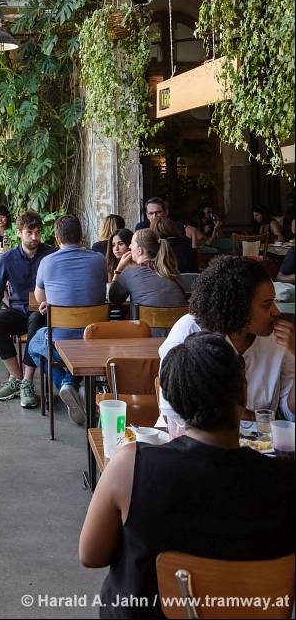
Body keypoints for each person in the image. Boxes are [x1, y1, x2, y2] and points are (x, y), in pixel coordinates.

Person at [79, 332, 295, 620]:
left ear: (173, 400)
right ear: (243, 394)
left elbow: (91, 555)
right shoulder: (286, 480)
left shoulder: (130, 466)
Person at [159, 255, 295, 420]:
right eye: (266, 305)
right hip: (192, 435)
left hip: (262, 436)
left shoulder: (280, 339)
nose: (276, 312)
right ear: (238, 308)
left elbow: (289, 412)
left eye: (274, 302)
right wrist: (247, 417)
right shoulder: (190, 333)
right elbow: (172, 414)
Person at [27, 215, 108, 424]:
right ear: (82, 236)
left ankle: (64, 383)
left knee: (34, 345)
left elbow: (40, 298)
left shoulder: (47, 262)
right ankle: (73, 384)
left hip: (60, 343)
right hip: (95, 342)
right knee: (80, 347)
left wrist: (53, 301)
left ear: (57, 237)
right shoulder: (99, 259)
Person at [0, 211, 55, 406]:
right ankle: (17, 378)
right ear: (19, 232)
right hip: (19, 311)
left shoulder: (51, 255)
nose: (35, 237)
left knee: (36, 319)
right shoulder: (9, 258)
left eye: (38, 232)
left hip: (43, 312)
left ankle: (27, 382)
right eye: (30, 232)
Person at [109, 229, 187, 333]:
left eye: (132, 244)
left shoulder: (130, 272)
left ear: (140, 250)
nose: (130, 247)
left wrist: (118, 270)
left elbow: (114, 299)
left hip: (145, 336)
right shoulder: (173, 271)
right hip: (177, 336)